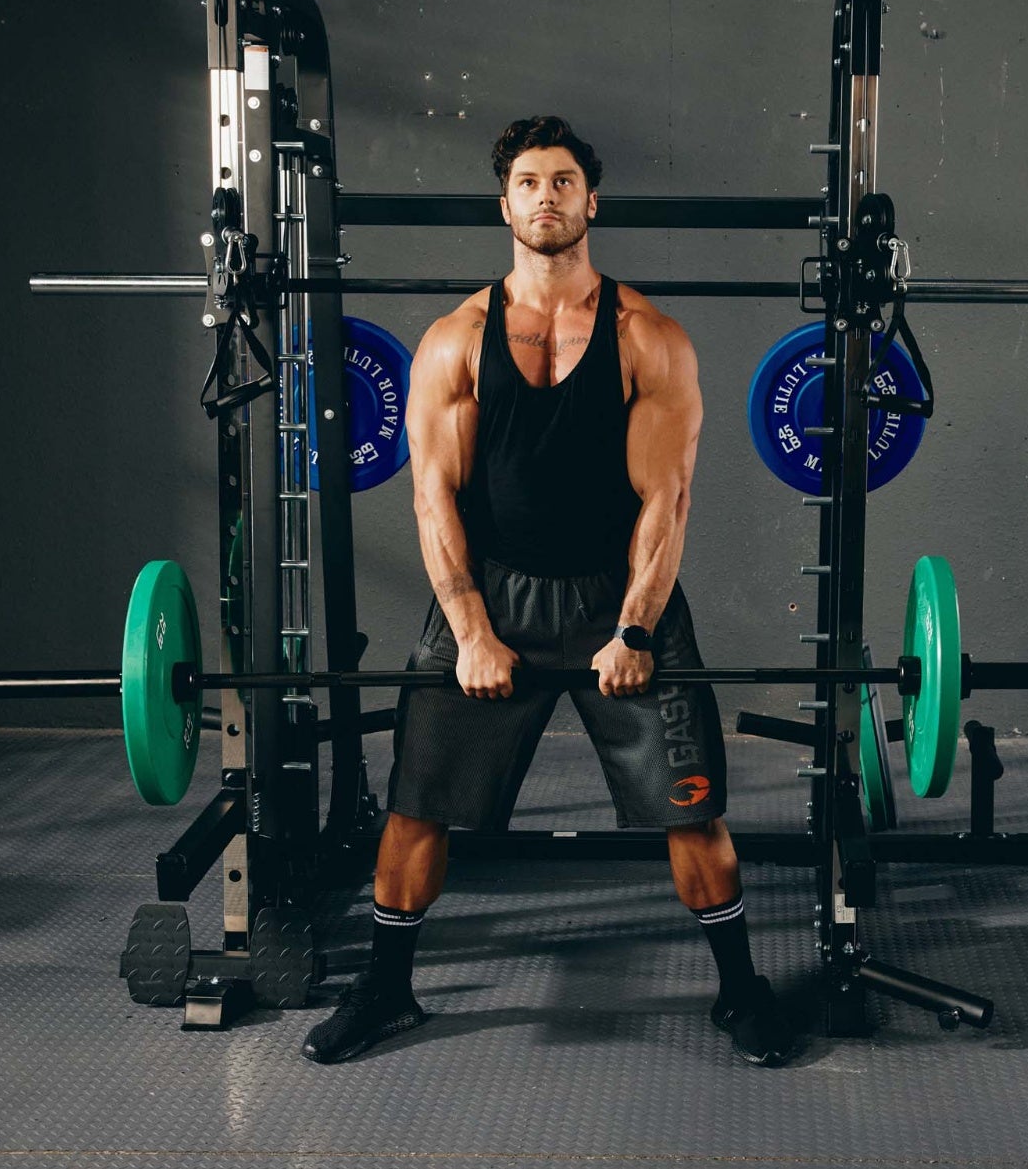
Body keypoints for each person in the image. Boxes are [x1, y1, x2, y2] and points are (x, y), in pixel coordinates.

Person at [303, 116, 797, 1067]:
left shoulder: (648, 336)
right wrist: (471, 633)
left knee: (693, 812)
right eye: (528, 182)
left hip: (622, 599)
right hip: (491, 601)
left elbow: (669, 496)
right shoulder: (455, 340)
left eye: (564, 181)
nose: (546, 197)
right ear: (506, 205)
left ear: (590, 200)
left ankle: (741, 991)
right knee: (414, 805)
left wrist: (637, 629)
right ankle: (387, 989)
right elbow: (432, 498)